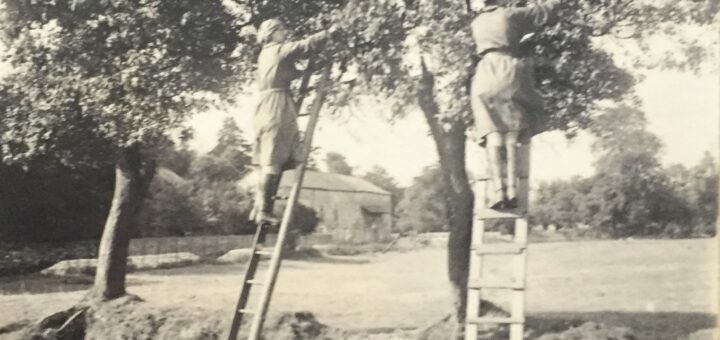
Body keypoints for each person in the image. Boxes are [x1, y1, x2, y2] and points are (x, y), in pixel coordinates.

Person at [470, 0, 564, 209]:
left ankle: (497, 192)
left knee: (493, 135)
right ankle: (512, 191)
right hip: (507, 71)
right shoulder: (509, 15)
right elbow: (544, 12)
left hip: (484, 75)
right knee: (512, 133)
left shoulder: (476, 22)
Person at [250, 18, 338, 225]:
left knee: (271, 159)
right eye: (281, 30)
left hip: (265, 106)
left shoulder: (264, 55)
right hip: (276, 106)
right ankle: (264, 210)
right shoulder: (278, 50)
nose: (285, 33)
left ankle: (260, 207)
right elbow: (304, 45)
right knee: (273, 159)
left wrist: (309, 70)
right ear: (272, 33)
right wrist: (329, 33)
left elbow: (287, 74)